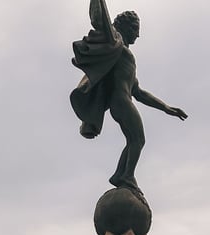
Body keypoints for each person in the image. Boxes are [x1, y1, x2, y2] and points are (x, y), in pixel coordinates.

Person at [70, 2, 187, 191]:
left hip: (125, 100)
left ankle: (121, 175)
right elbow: (101, 19)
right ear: (123, 26)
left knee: (135, 139)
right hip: (121, 102)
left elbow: (138, 92)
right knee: (138, 139)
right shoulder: (114, 43)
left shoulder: (123, 53)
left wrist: (166, 108)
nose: (138, 34)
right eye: (135, 28)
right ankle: (126, 175)